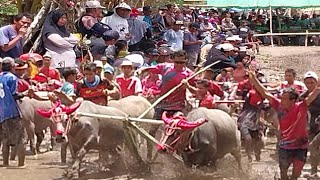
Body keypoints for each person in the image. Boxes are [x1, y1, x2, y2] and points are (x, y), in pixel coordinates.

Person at [248, 67, 320, 180]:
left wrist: (318, 84)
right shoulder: (279, 105)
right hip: (285, 146)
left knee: (296, 175)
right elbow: (265, 92)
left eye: (285, 99)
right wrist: (254, 80)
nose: (282, 101)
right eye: (281, 98)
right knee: (284, 175)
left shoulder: (301, 106)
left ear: (293, 100)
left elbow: (315, 91)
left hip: (300, 146)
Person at [0, 57, 26, 167]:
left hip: (2, 113)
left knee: (5, 139)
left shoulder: (0, 77)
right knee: (21, 139)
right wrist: (25, 94)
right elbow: (14, 95)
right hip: (12, 111)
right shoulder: (12, 78)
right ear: (12, 67)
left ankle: (5, 163)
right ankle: (21, 165)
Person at [300, 71, 320, 177]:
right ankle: (314, 171)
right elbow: (300, 107)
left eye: (312, 82)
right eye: (307, 83)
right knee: (313, 148)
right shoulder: (304, 95)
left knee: (313, 146)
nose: (309, 85)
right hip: (312, 124)